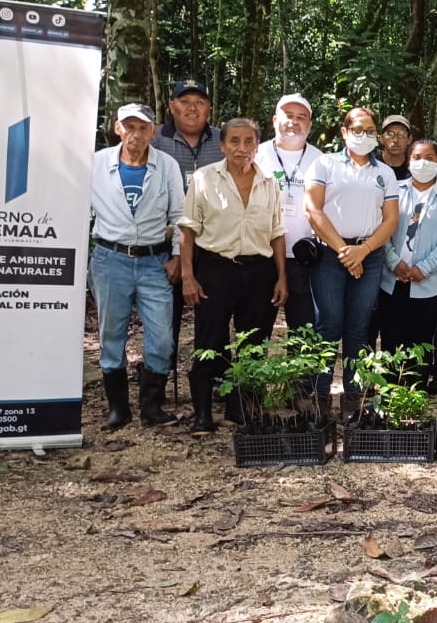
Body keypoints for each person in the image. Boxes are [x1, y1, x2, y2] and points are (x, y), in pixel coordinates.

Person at [178, 118, 288, 433]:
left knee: (254, 341)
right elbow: (188, 229)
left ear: (257, 144)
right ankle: (202, 414)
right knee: (209, 339)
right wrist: (189, 275)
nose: (242, 148)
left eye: (249, 141)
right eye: (235, 141)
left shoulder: (269, 182)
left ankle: (242, 410)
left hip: (259, 270)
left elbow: (277, 231)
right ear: (223, 145)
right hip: (216, 268)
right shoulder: (204, 179)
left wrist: (282, 277)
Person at [88, 103, 185, 430]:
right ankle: (118, 409)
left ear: (153, 132)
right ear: (118, 129)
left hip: (154, 261)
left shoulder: (166, 165)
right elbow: (80, 210)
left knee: (161, 338)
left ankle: (151, 407)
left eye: (143, 128)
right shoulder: (97, 163)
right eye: (130, 127)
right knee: (110, 334)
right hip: (109, 258)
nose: (136, 135)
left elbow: (179, 218)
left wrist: (177, 257)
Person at [304, 107, 400, 420]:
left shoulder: (383, 173)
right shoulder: (325, 163)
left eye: (370, 130)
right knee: (329, 324)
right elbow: (313, 210)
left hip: (369, 256)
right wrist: (345, 251)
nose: (364, 135)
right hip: (331, 256)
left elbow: (391, 219)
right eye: (357, 129)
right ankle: (320, 395)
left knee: (358, 330)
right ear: (344, 132)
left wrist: (363, 251)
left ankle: (353, 397)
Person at [152, 78, 225, 374]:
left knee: (214, 317)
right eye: (184, 102)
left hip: (212, 246)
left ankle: (213, 377)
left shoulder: (223, 140)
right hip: (165, 245)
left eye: (199, 102)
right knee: (164, 318)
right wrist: (176, 255)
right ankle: (158, 378)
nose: (192, 108)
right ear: (172, 107)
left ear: (209, 107)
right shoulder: (156, 139)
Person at [377, 140, 437, 368]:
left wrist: (423, 268)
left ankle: (415, 393)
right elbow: (381, 228)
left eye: (429, 158)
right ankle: (389, 391)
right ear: (408, 161)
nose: (423, 163)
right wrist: (394, 262)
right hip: (392, 279)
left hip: (430, 283)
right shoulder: (393, 190)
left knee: (422, 341)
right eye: (417, 157)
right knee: (391, 338)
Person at [254, 93, 321, 346]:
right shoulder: (256, 154)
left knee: (304, 331)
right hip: (261, 256)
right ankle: (252, 385)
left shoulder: (321, 159)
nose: (294, 122)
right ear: (274, 120)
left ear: (309, 124)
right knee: (256, 328)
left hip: (305, 259)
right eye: (288, 116)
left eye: (301, 117)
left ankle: (303, 385)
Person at [378, 114, 414, 181]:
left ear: (409, 139)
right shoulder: (373, 166)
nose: (395, 140)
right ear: (381, 138)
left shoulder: (415, 169)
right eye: (390, 134)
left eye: (401, 134)